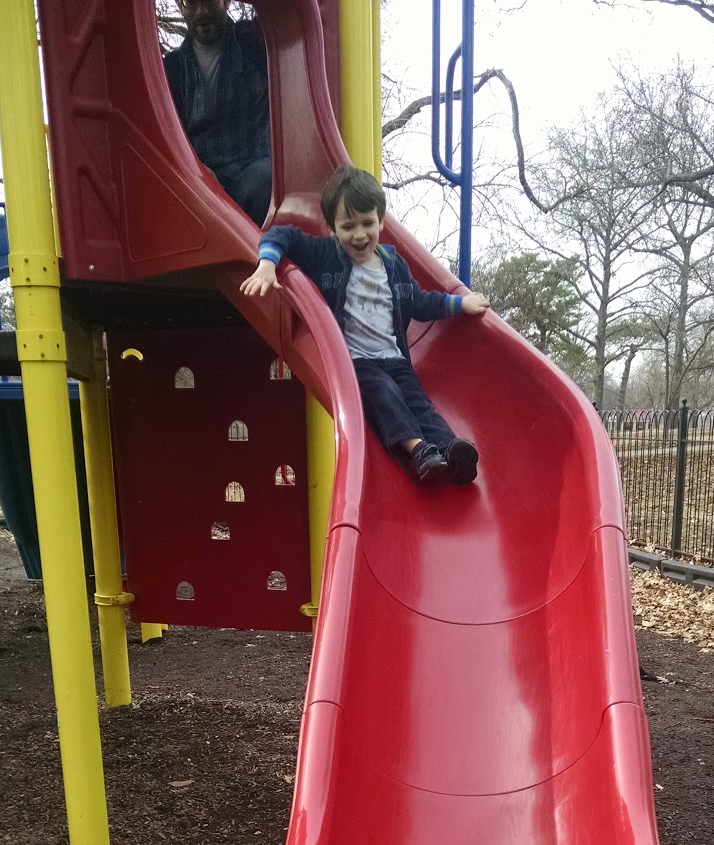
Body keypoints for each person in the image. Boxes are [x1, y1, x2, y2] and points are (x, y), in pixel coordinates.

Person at [240, 164, 489, 484]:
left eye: (367, 223)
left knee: (419, 403)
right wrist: (266, 264)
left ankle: (450, 450)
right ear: (332, 228)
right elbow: (282, 234)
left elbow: (420, 301)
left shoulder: (393, 264)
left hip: (395, 358)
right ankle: (418, 451)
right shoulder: (325, 255)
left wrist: (460, 304)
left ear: (381, 220)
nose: (359, 234)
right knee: (385, 394)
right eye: (348, 226)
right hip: (357, 362)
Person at [163, 0, 271, 226]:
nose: (202, 11)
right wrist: (196, 170)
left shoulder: (253, 41)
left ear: (227, 2)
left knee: (262, 180)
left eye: (210, 1)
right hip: (201, 177)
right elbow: (169, 136)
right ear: (180, 6)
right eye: (191, 2)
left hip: (251, 168)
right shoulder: (172, 68)